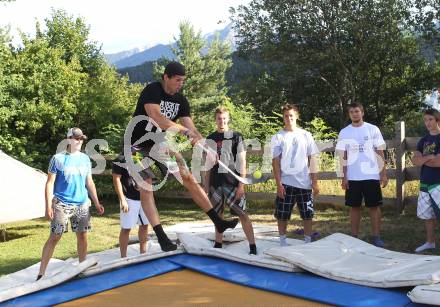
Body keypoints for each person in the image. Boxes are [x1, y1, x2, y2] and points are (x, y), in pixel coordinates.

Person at [127, 61, 238, 252]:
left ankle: (218, 222)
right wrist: (184, 131)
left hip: (160, 145)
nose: (180, 84)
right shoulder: (152, 90)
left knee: (188, 177)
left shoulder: (181, 100)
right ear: (166, 77)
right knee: (147, 187)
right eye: (177, 80)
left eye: (183, 81)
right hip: (137, 145)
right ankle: (162, 238)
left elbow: (192, 128)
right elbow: (156, 118)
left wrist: (205, 146)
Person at [37, 128, 104, 280]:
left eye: (81, 139)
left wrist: (96, 202)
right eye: (76, 138)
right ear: (68, 139)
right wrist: (48, 206)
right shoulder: (58, 159)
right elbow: (49, 183)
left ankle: (82, 267)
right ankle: (41, 273)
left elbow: (89, 182)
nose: (79, 141)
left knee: (82, 235)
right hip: (61, 203)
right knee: (55, 236)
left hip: (82, 204)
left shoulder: (85, 159)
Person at [204, 107, 257, 254]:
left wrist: (241, 185)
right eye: (219, 118)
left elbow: (242, 162)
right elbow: (207, 165)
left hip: (233, 183)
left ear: (228, 119)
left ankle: (252, 246)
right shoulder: (210, 139)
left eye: (224, 118)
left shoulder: (237, 137)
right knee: (217, 215)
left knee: (243, 214)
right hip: (215, 184)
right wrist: (206, 186)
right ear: (215, 120)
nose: (222, 121)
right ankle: (218, 244)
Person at [335, 102, 388, 247]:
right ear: (349, 114)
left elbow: (380, 152)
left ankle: (376, 237)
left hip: (371, 176)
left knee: (374, 207)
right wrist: (343, 176)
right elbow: (342, 156)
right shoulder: (344, 132)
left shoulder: (372, 129)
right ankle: (354, 237)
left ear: (362, 112)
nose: (354, 114)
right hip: (353, 177)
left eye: (357, 111)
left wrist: (383, 173)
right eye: (351, 112)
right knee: (354, 207)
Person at [271, 103, 320, 246]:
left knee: (307, 214)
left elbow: (312, 158)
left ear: (297, 116)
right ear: (283, 118)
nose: (288, 118)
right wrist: (278, 184)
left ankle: (307, 240)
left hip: (305, 183)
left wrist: (315, 181)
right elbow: (275, 162)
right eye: (286, 116)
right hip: (286, 182)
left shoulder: (306, 135)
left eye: (291, 115)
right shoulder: (278, 137)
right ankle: (282, 241)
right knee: (282, 214)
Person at [411, 108, 440, 253]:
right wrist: (429, 157)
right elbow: (414, 160)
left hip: (438, 183)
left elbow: (439, 162)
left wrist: (422, 159)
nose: (428, 123)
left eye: (430, 119)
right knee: (427, 215)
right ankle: (430, 242)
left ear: (437, 120)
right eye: (425, 120)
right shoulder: (423, 140)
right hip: (425, 182)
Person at [112, 153, 150, 257]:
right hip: (129, 199)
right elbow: (116, 180)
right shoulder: (120, 159)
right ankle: (123, 257)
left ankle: (143, 253)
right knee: (126, 228)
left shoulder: (142, 156)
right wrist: (123, 200)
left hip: (144, 198)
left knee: (144, 225)